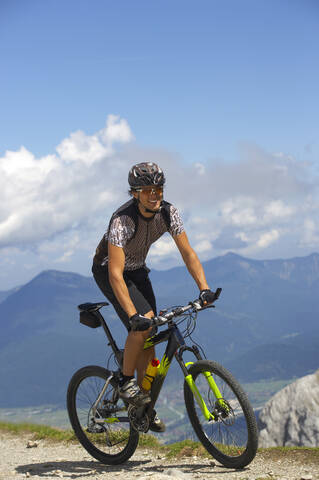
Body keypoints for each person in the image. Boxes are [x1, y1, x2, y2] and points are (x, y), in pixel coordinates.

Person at [92, 162, 216, 432]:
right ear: (134, 193)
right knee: (142, 322)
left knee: (150, 336)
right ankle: (126, 382)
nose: (155, 194)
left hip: (137, 270)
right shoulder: (121, 220)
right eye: (147, 190)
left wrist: (204, 289)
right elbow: (114, 273)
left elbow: (188, 253)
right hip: (109, 271)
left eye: (158, 188)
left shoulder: (169, 213)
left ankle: (143, 406)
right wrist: (132, 314)